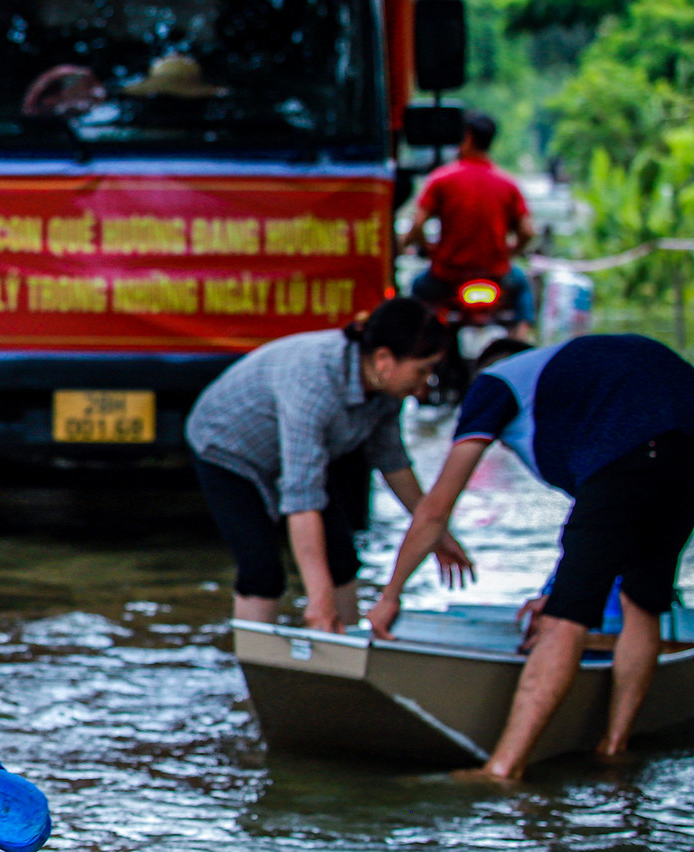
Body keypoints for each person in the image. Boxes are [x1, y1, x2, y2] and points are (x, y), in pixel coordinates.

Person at [366, 334, 694, 781]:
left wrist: (390, 595)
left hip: (635, 447)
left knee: (565, 620)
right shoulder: (578, 391)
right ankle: (614, 747)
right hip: (684, 448)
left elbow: (435, 508)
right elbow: (607, 532)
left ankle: (503, 767)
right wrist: (558, 588)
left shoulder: (494, 384)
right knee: (642, 599)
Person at [186, 298, 475, 632]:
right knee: (262, 571)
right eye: (421, 371)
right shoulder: (315, 382)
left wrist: (436, 532)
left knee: (341, 560)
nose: (426, 384)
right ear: (384, 359)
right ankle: (256, 658)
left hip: (299, 453)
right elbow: (302, 498)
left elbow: (392, 461)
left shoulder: (386, 391)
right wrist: (319, 601)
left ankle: (344, 649)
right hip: (229, 450)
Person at [400, 111, 536, 335]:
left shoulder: (441, 179)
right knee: (522, 288)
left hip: (447, 276)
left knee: (417, 290)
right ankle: (521, 341)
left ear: (467, 137)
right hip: (496, 274)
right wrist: (510, 252)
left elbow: (416, 226)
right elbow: (528, 231)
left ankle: (418, 344)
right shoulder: (507, 183)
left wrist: (426, 247)